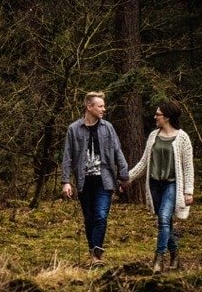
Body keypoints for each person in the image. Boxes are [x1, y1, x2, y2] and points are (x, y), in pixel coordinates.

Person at [124, 100, 194, 273]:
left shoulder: (182, 138)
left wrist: (188, 191)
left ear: (167, 117)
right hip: (155, 184)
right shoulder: (153, 136)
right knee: (165, 222)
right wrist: (127, 178)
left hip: (172, 184)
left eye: (158, 114)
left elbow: (188, 166)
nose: (155, 117)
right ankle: (175, 255)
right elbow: (143, 162)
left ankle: (158, 259)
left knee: (163, 219)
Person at [61, 92, 130, 267]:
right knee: (89, 218)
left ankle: (97, 255)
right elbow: (67, 157)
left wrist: (124, 176)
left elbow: (117, 151)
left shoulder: (108, 128)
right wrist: (66, 181)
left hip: (104, 180)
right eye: (100, 106)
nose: (103, 109)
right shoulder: (74, 129)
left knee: (100, 216)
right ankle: (93, 252)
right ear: (89, 107)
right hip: (84, 181)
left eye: (103, 106)